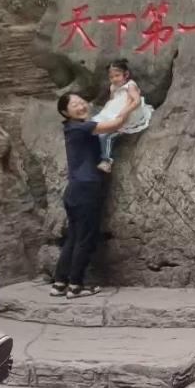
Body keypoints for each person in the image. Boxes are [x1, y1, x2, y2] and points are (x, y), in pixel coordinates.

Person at [52, 91, 139, 299]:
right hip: (86, 189)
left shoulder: (72, 128)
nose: (81, 106)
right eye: (75, 105)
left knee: (73, 237)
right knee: (85, 239)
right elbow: (115, 125)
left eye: (82, 101)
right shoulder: (81, 127)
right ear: (65, 112)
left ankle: (59, 283)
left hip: (74, 190)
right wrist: (131, 104)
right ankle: (76, 286)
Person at [92, 58, 153, 174]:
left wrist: (126, 111)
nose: (114, 79)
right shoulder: (113, 87)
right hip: (114, 111)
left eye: (117, 75)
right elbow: (112, 100)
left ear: (126, 74)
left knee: (106, 135)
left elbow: (137, 101)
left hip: (128, 114)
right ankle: (96, 154)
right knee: (97, 130)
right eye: (111, 77)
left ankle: (107, 161)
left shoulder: (130, 85)